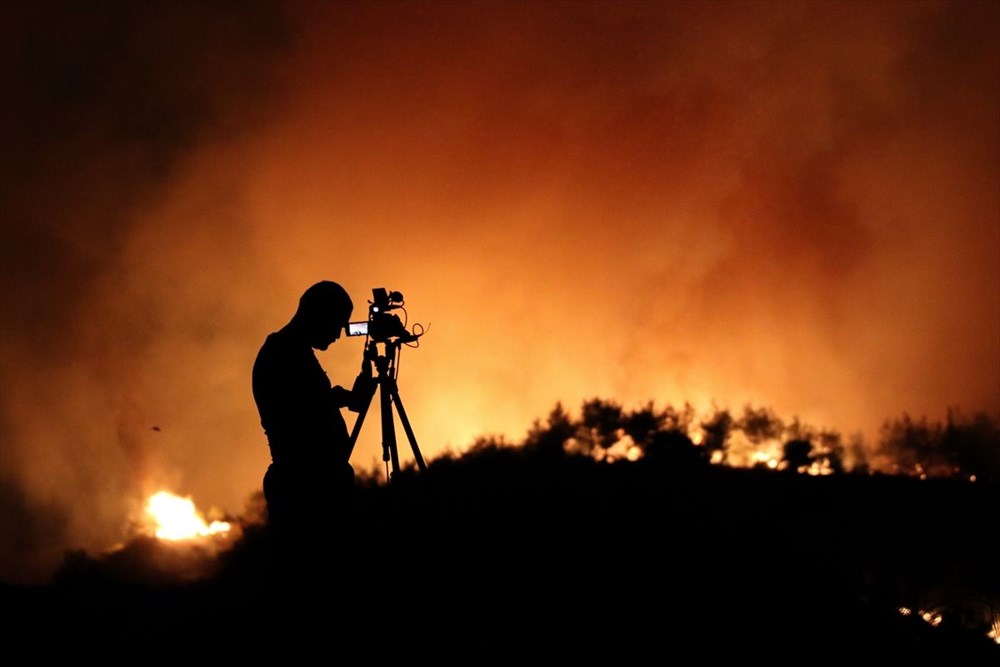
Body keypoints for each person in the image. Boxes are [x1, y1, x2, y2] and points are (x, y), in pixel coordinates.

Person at [252, 281, 370, 545]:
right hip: (305, 489)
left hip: (315, 484)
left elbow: (310, 402)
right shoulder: (282, 352)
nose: (338, 335)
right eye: (337, 324)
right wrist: (340, 398)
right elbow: (299, 412)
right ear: (319, 314)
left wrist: (342, 398)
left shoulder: (291, 350)